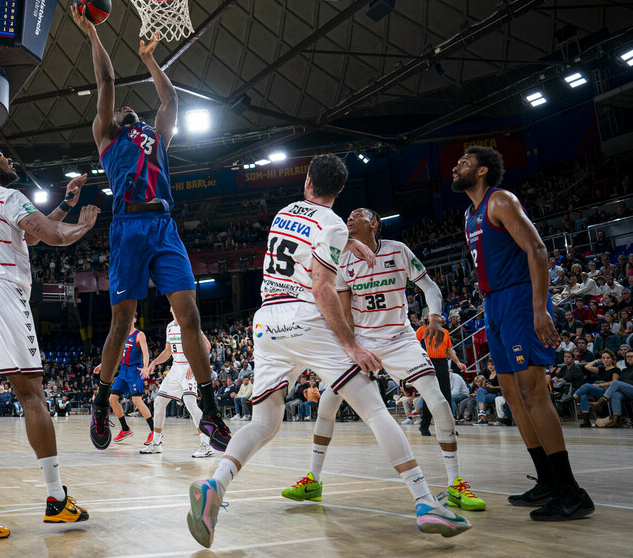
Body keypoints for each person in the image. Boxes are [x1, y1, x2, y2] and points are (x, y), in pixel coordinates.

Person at [186, 154, 471, 548]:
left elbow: (309, 245)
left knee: (264, 424)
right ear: (339, 191)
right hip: (305, 317)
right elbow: (321, 286)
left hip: (267, 321)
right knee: (373, 408)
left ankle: (216, 484)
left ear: (307, 182)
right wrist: (351, 345)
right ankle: (425, 502)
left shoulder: (285, 212)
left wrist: (348, 241)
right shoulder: (333, 224)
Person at [72, 7, 230, 451]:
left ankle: (211, 411)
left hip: (162, 224)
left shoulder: (158, 136)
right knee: (122, 323)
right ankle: (102, 402)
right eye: (122, 109)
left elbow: (171, 101)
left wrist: (148, 59)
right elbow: (105, 83)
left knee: (191, 316)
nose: (126, 108)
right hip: (126, 228)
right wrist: (93, 32)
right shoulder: (106, 137)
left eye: (129, 108)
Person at [0, 145, 100, 539]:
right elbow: (51, 236)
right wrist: (82, 225)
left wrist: (63, 205)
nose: (10, 161)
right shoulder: (9, 195)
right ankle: (56, 499)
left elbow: (27, 237)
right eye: (1, 155)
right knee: (33, 397)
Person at [281, 207, 484, 512]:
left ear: (374, 223)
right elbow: (345, 312)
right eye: (347, 215)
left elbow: (429, 286)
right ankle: (313, 480)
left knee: (439, 402)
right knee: (327, 403)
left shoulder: (398, 251)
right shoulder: (343, 260)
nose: (350, 218)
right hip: (363, 341)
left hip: (400, 339)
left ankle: (455, 485)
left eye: (358, 214)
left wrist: (435, 318)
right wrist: (348, 347)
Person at [453, 146, 593, 520]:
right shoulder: (469, 214)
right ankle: (547, 480)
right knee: (513, 395)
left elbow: (537, 249)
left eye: (464, 162)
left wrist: (539, 308)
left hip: (519, 298)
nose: (456, 166)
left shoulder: (501, 201)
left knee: (533, 392)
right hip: (494, 304)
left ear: (482, 171)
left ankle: (571, 490)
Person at [141, 312, 215, 457]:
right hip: (175, 368)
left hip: (189, 368)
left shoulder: (190, 322)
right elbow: (168, 351)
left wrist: (194, 364)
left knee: (190, 403)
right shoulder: (169, 327)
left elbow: (207, 346)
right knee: (159, 403)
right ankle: (156, 443)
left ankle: (206, 444)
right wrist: (154, 362)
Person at [93, 315, 154, 444]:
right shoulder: (122, 335)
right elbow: (115, 354)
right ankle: (125, 429)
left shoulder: (139, 334)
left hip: (135, 370)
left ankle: (153, 432)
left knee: (137, 400)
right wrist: (101, 365)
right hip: (123, 370)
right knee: (112, 399)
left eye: (131, 317)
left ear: (135, 320)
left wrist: (146, 367)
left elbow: (146, 352)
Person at [416, 321, 467, 438]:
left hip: (442, 362)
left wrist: (458, 362)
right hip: (428, 362)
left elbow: (449, 349)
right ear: (429, 318)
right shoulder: (422, 330)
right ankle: (424, 425)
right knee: (429, 395)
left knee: (446, 395)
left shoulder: (445, 332)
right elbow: (414, 346)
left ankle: (450, 427)